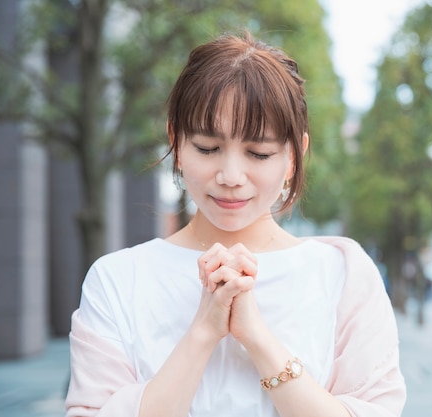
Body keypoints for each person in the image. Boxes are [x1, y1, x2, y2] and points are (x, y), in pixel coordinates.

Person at [65, 31, 406, 417]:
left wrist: (258, 338)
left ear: (294, 156)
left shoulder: (342, 274)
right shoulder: (117, 280)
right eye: (208, 148)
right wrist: (204, 332)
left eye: (258, 153)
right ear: (176, 144)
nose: (230, 175)